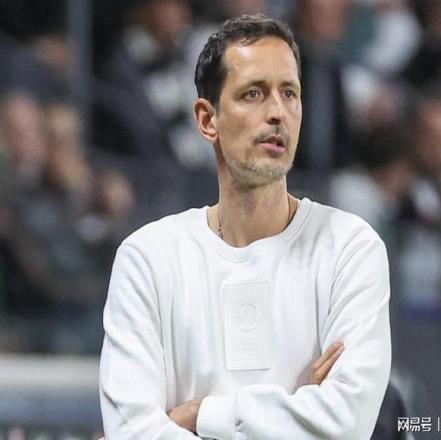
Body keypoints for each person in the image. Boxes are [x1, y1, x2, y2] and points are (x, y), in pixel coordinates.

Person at [100, 14, 391, 439]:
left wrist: (199, 415)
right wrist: (293, 414)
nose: (277, 113)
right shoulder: (147, 258)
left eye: (289, 93)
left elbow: (345, 424)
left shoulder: (351, 248)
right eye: (253, 93)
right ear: (207, 120)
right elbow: (132, 432)